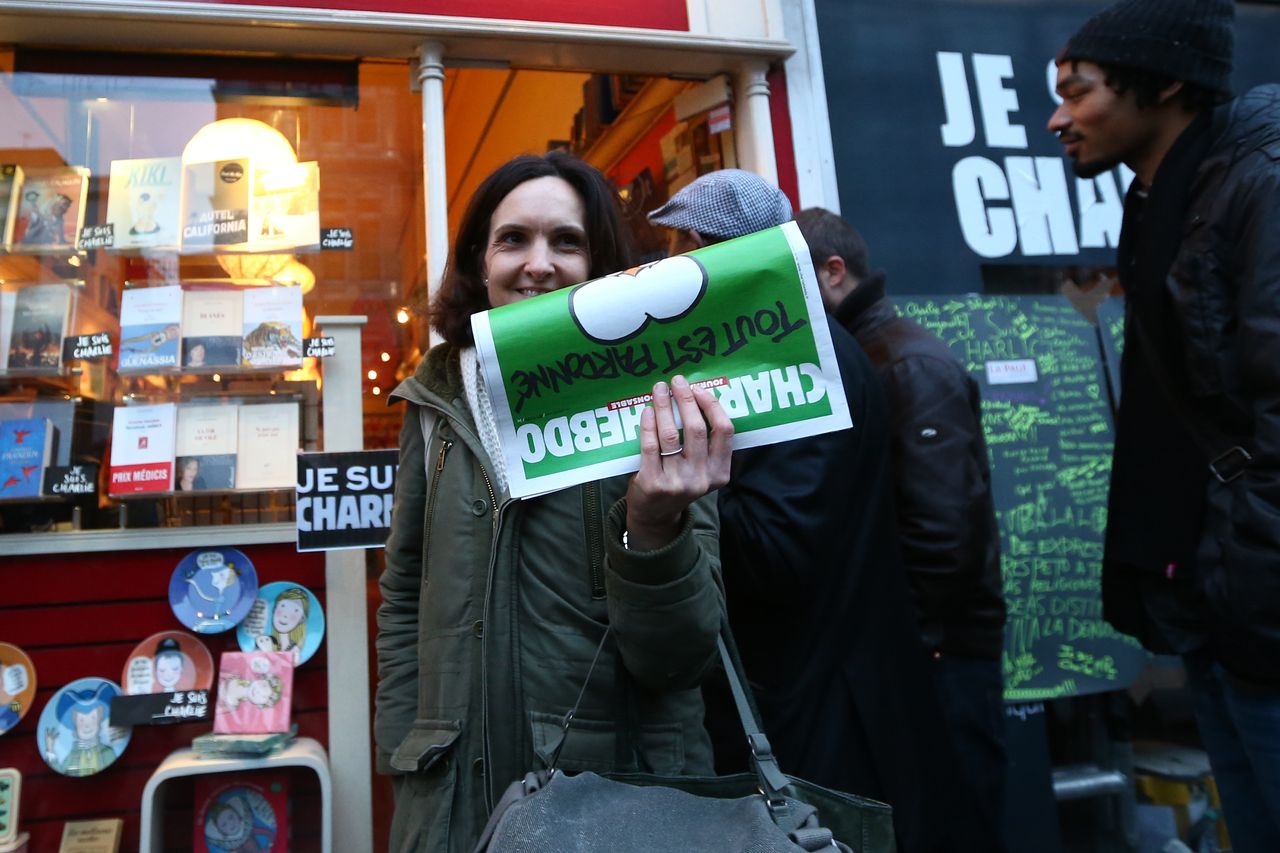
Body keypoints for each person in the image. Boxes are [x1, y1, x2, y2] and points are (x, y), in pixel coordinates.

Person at [375, 152, 733, 853]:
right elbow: (404, 594)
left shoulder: (656, 403)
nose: (538, 263)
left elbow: (681, 658)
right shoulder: (435, 401)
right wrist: (407, 757)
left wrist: (654, 529)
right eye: (514, 239)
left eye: (566, 241)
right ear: (480, 261)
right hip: (456, 805)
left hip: (615, 807)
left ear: (601, 265)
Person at [649, 170, 968, 853]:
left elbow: (778, 552)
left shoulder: (794, 354)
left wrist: (678, 487)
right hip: (827, 694)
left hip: (819, 712)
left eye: (681, 247)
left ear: (712, 250)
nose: (671, 266)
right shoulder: (789, 342)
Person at [1047, 1, 1280, 848]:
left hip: (1253, 595)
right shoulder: (1161, 198)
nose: (1058, 115)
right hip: (1216, 588)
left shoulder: (1258, 182)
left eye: (1079, 91)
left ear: (1167, 83)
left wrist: (1248, 584)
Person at [794, 206, 1008, 850]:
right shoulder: (867, 353)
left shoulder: (905, 365)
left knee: (955, 824)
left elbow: (943, 534)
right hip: (919, 651)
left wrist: (907, 638)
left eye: (794, 281)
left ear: (834, 272)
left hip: (942, 658)